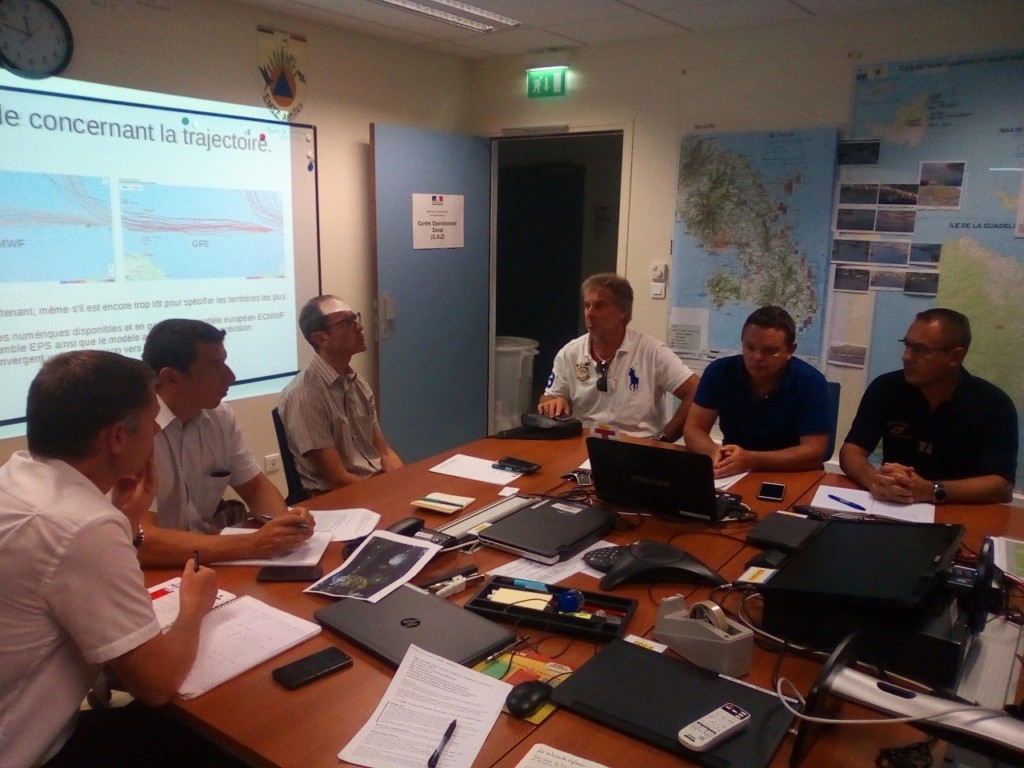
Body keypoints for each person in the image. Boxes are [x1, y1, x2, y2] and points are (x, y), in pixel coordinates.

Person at [0, 350, 240, 768]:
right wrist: (193, 608)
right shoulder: (83, 525)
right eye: (151, 424)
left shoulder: (18, 476)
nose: (155, 434)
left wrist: (125, 517)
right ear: (116, 438)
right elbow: (156, 684)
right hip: (25, 750)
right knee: (222, 735)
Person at [140, 319, 314, 567]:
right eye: (215, 366)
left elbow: (255, 488)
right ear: (170, 378)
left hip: (209, 557)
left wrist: (285, 523)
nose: (230, 376)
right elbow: (142, 540)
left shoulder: (220, 416)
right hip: (158, 568)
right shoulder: (135, 431)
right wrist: (252, 544)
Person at [839, 308, 1018, 505]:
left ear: (955, 357)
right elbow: (851, 451)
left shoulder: (993, 403)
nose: (906, 356)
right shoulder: (886, 388)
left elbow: (1002, 487)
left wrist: (932, 490)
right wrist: (874, 480)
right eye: (906, 345)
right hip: (892, 507)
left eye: (921, 349)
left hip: (959, 509)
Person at [538, 273, 699, 441]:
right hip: (586, 444)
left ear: (622, 311)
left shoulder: (652, 351)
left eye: (600, 306)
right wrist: (552, 403)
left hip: (638, 445)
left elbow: (696, 391)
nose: (590, 314)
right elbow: (550, 396)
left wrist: (665, 438)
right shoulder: (570, 352)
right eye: (587, 306)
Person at [683, 306, 831, 477]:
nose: (757, 357)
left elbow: (814, 452)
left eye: (769, 351)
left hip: (792, 474)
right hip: (734, 472)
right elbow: (694, 429)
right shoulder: (720, 372)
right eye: (750, 347)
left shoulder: (810, 382)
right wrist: (714, 452)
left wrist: (751, 459)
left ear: (790, 350)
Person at [277, 295, 403, 494]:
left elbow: (385, 452)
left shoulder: (358, 383)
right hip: (338, 500)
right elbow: (338, 479)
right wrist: (387, 492)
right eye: (347, 322)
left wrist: (403, 485)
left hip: (373, 487)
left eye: (356, 319)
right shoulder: (304, 395)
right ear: (321, 338)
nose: (360, 327)